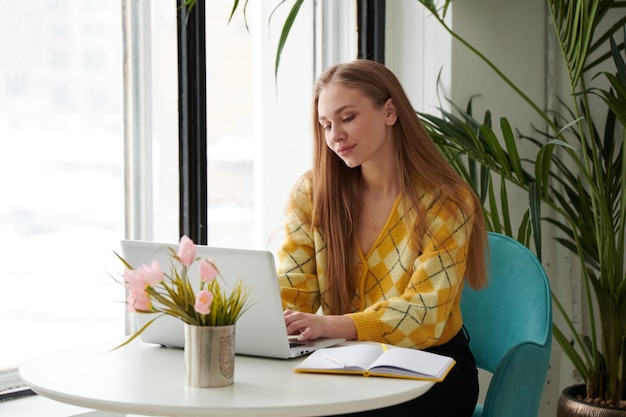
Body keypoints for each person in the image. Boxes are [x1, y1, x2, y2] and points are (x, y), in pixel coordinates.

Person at [277, 59, 488, 417]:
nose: (335, 136)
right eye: (326, 125)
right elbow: (293, 289)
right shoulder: (312, 192)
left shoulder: (447, 201)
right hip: (343, 359)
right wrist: (236, 315)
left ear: (389, 111)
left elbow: (428, 312)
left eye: (347, 118)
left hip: (433, 364)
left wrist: (334, 324)